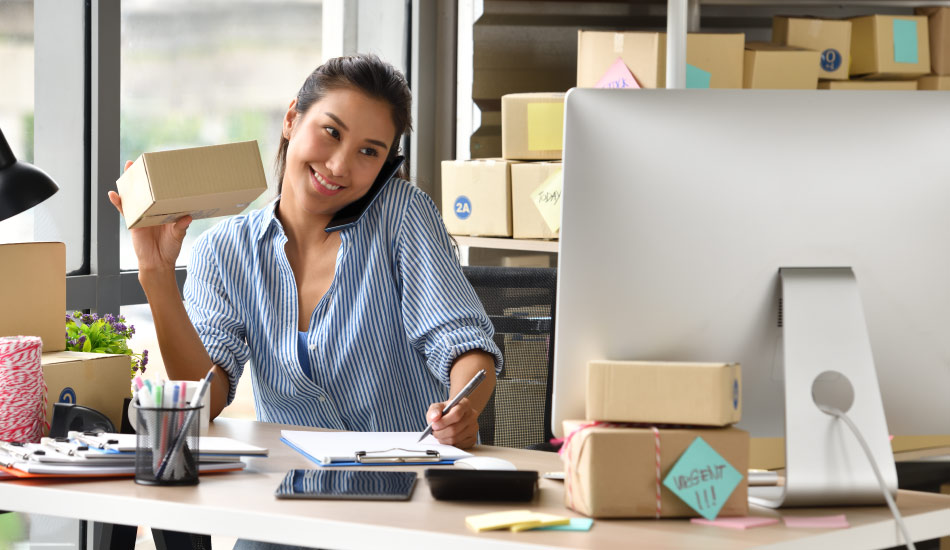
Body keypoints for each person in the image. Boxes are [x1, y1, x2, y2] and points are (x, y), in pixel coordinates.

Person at [108, 53, 502, 452]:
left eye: (369, 152)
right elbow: (204, 400)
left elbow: (463, 343)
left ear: (386, 164)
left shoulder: (402, 214)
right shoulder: (225, 250)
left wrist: (462, 411)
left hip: (412, 478)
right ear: (292, 118)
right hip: (292, 487)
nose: (338, 165)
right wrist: (156, 273)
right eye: (331, 131)